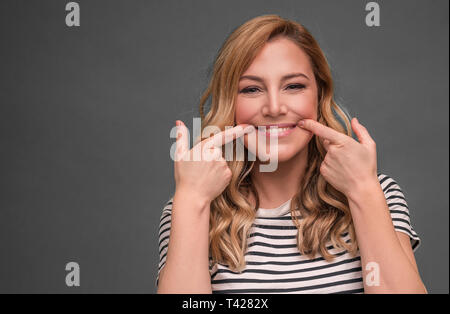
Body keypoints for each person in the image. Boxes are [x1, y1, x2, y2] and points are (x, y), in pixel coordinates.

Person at [156, 14, 427, 294]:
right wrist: (191, 199)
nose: (274, 107)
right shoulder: (191, 208)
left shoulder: (378, 193)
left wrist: (362, 188)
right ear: (230, 103)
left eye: (294, 86)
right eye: (251, 89)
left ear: (319, 95)